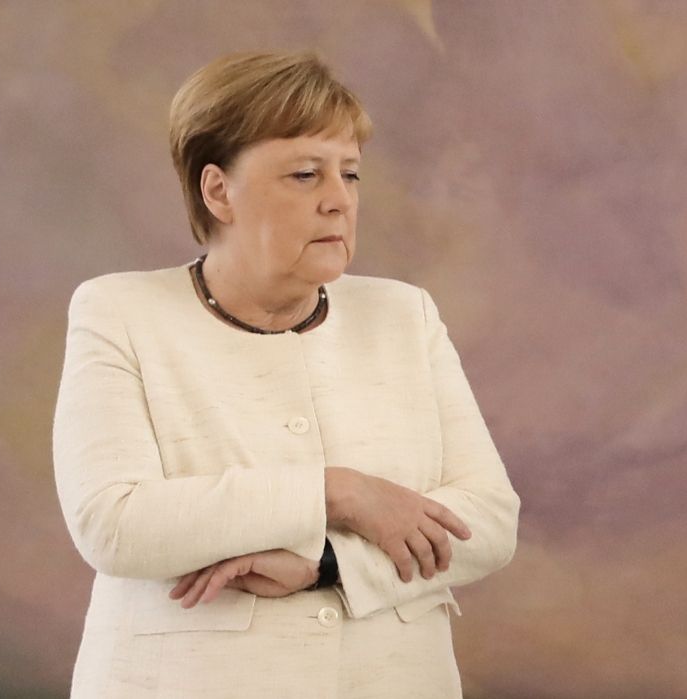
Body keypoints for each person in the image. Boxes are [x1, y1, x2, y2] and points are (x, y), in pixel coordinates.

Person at [53, 49, 520, 699]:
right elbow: (116, 521)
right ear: (218, 190)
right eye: (305, 174)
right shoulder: (120, 311)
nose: (338, 201)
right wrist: (339, 493)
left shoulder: (404, 313)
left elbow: (490, 521)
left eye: (350, 175)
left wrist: (329, 562)